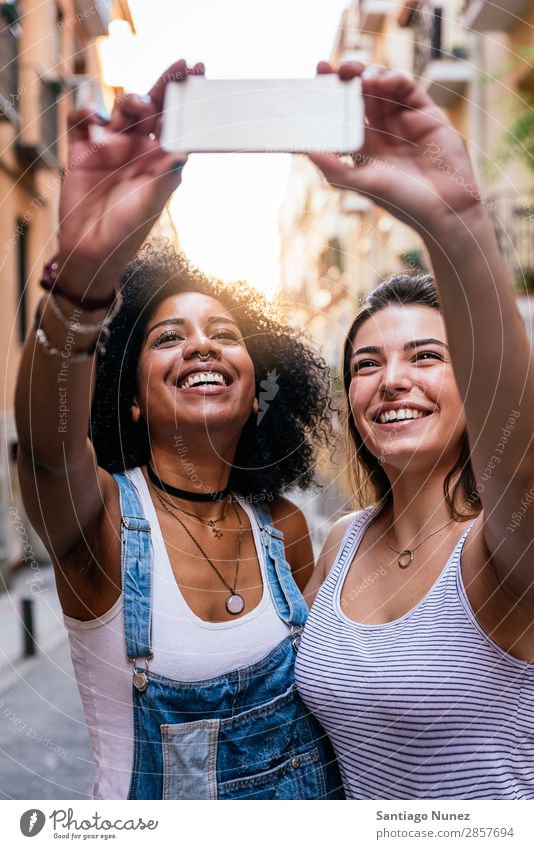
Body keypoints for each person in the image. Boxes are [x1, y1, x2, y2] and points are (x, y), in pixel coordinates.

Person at [14, 60, 343, 800]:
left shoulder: (284, 529)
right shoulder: (100, 522)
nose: (201, 345)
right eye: (168, 338)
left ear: (256, 386)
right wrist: (84, 279)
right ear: (129, 400)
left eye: (223, 334)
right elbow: (42, 449)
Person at [296, 62, 534, 799]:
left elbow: (518, 457)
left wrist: (453, 220)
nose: (392, 379)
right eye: (367, 363)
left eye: (428, 356)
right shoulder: (340, 542)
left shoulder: (504, 541)